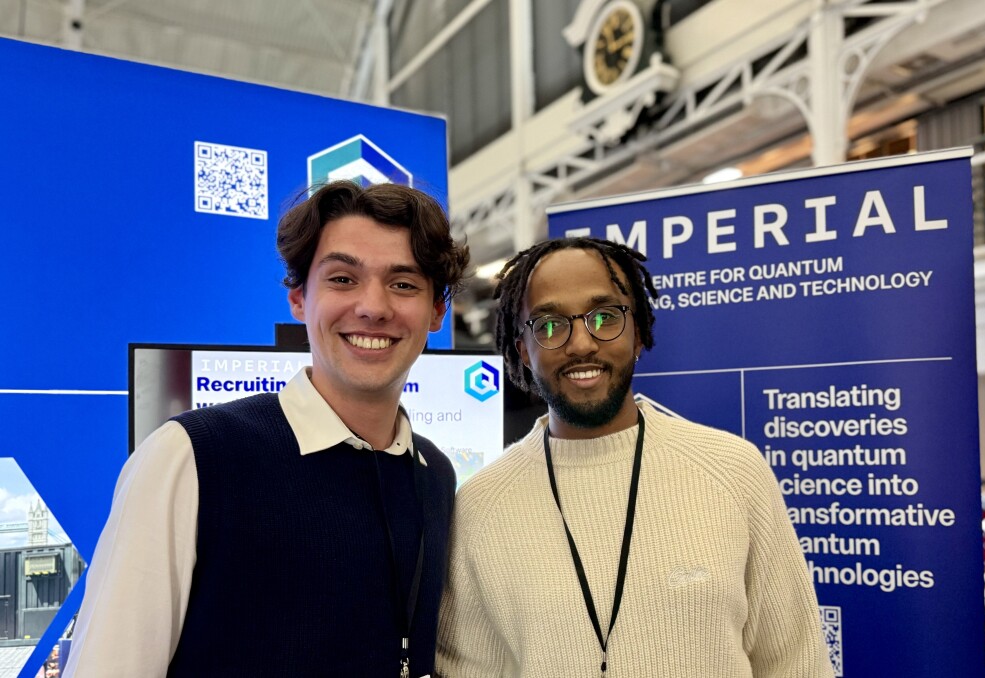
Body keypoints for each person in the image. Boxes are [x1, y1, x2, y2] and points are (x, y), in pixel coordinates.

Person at [67, 181, 470, 677]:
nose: (374, 306)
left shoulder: (433, 475)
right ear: (299, 298)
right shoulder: (193, 457)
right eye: (343, 279)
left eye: (403, 284)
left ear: (436, 311)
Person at [437, 237, 833, 677]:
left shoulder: (734, 471)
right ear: (522, 352)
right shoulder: (479, 504)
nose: (582, 344)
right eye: (549, 326)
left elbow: (797, 661)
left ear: (639, 332)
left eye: (605, 317)